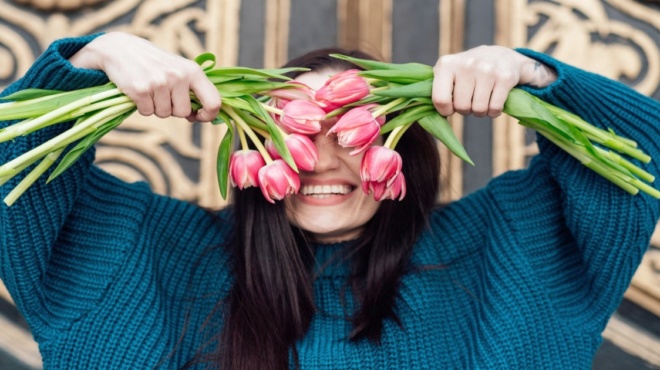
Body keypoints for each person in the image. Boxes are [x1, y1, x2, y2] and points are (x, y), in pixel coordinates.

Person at [0, 31, 658, 370]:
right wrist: (95, 57)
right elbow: (14, 183)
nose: (320, 157)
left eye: (349, 128)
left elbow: (637, 161)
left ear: (405, 146)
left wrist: (533, 75)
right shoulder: (140, 253)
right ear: (251, 149)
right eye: (292, 129)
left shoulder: (513, 251)